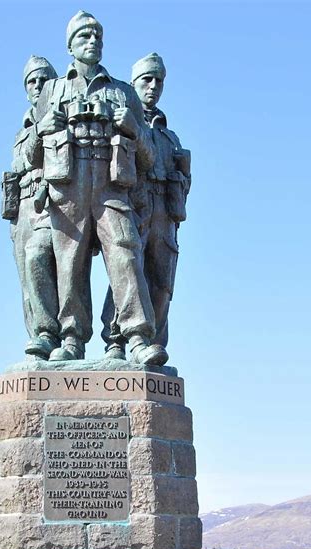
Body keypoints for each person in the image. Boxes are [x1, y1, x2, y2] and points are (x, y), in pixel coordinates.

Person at [25, 11, 167, 365]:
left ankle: (136, 338)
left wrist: (134, 127)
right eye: (84, 37)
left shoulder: (123, 92)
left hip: (110, 185)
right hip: (68, 186)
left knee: (125, 252)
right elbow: (31, 155)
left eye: (97, 37)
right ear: (70, 46)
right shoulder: (53, 90)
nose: (92, 43)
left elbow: (149, 159)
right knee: (68, 263)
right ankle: (71, 338)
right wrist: (44, 126)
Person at [101, 53, 191, 355]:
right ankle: (115, 339)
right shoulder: (122, 121)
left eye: (159, 81)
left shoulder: (170, 135)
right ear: (133, 83)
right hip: (133, 202)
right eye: (146, 80)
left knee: (162, 282)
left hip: (165, 212)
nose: (153, 86)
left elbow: (184, 178)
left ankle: (154, 344)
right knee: (126, 271)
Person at [7, 55, 61, 359]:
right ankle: (41, 342)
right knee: (28, 281)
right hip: (23, 208)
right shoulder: (24, 128)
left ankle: (52, 332)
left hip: (55, 201)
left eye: (43, 79)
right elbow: (19, 164)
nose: (38, 85)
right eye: (32, 81)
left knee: (43, 261)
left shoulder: (58, 117)